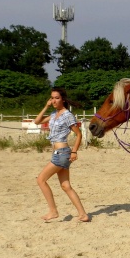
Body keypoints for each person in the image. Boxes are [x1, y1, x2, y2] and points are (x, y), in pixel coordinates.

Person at [34, 87, 91, 223]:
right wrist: (45, 106)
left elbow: (79, 134)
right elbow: (37, 121)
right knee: (66, 186)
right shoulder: (54, 114)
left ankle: (53, 211)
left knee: (41, 180)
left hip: (62, 153)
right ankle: (83, 214)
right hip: (58, 153)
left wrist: (74, 151)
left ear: (63, 100)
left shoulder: (67, 115)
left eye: (57, 98)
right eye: (52, 98)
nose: (53, 100)